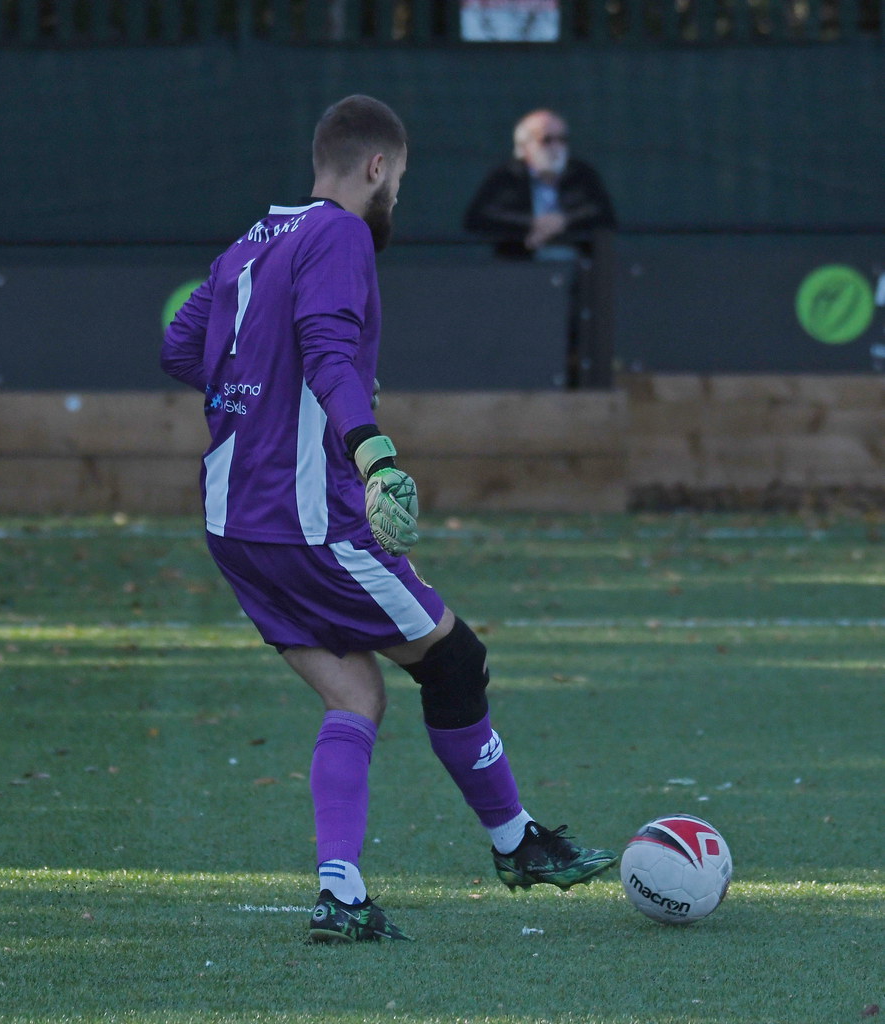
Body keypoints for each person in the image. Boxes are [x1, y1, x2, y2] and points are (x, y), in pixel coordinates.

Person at [161, 94, 616, 944]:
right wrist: (372, 450)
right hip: (303, 520)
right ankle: (516, 844)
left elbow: (184, 350)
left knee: (355, 697)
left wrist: (262, 405)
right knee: (455, 663)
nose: (394, 195)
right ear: (377, 167)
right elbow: (329, 349)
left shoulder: (252, 238)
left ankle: (341, 894)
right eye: (397, 180)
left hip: (234, 523)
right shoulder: (340, 235)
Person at [463, 108, 616, 260]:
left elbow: (603, 212)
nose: (556, 147)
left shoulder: (581, 173)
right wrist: (532, 224)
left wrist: (563, 221)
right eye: (546, 140)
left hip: (578, 267)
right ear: (524, 146)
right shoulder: (506, 175)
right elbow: (479, 217)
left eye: (562, 139)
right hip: (521, 267)